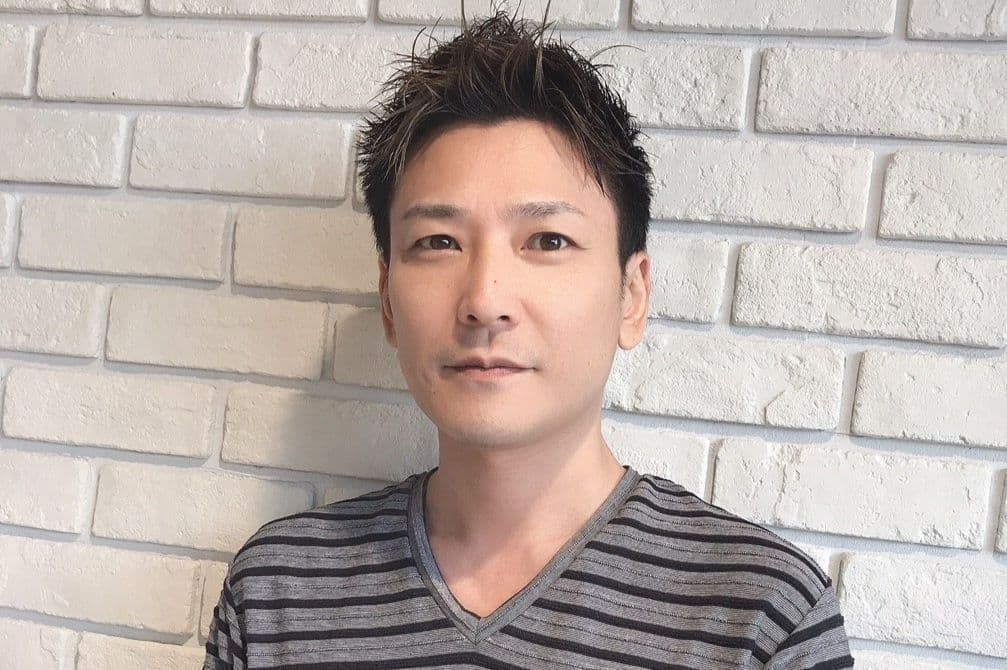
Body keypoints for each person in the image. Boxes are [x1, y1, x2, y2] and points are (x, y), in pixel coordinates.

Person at [204, 6, 854, 669]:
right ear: (389, 300)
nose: (484, 301)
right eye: (438, 242)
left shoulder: (759, 616)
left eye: (547, 240)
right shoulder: (277, 592)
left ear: (632, 296)